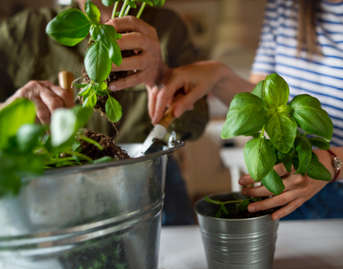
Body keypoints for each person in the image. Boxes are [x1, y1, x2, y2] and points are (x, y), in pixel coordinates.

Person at [148, 0, 343, 220]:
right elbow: (264, 104)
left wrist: (328, 163)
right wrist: (218, 76)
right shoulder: (287, 4)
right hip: (283, 187)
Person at [0, 0, 209, 225]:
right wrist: (10, 111)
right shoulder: (20, 33)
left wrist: (162, 78)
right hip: (53, 194)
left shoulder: (167, 26)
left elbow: (196, 121)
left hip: (151, 184)